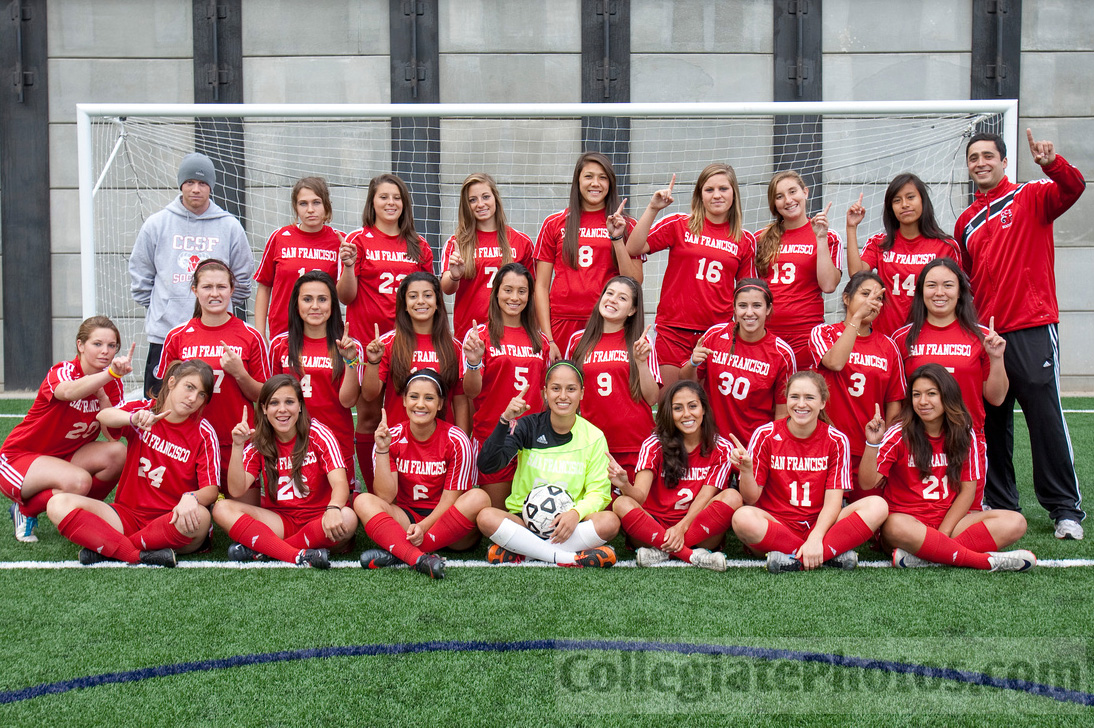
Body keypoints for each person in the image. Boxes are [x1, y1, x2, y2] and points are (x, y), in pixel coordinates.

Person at [955, 129, 1086, 539]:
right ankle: (1001, 500)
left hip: (1031, 326)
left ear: (1004, 160)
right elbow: (968, 280)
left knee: (1044, 417)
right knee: (991, 421)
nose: (981, 163)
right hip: (987, 336)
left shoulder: (1032, 196)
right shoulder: (966, 221)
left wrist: (1051, 163)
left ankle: (1065, 509)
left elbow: (1074, 188)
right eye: (974, 157)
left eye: (988, 156)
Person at [859, 364, 1034, 571]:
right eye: (916, 395)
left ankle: (928, 556)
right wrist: (872, 443)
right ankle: (982, 561)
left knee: (1015, 522)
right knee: (894, 525)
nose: (923, 401)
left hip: (951, 523)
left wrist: (942, 536)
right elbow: (867, 482)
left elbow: (967, 492)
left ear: (947, 396)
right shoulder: (899, 433)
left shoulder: (964, 435)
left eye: (931, 394)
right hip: (909, 524)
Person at [46, 360, 221, 567]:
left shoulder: (203, 432)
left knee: (201, 517)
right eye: (189, 387)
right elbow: (104, 416)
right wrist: (131, 418)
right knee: (57, 504)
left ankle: (110, 547)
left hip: (172, 519)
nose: (193, 398)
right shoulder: (143, 411)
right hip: (126, 517)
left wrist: (190, 497)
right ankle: (136, 554)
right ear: (172, 382)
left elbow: (211, 490)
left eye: (201, 394)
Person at [730, 371, 888, 573]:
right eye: (794, 397)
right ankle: (826, 554)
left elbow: (833, 503)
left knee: (878, 506)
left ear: (822, 402)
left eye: (809, 397)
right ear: (786, 399)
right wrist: (747, 470)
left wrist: (816, 537)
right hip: (778, 525)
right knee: (742, 518)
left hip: (822, 526)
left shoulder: (836, 440)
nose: (801, 404)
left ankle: (796, 557)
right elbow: (751, 498)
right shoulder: (765, 434)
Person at [337, 173, 434, 487]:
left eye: (397, 197)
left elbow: (430, 293)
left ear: (405, 203)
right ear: (372, 202)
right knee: (367, 417)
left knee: (410, 416)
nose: (391, 203)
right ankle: (375, 490)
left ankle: (412, 486)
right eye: (383, 197)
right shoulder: (358, 241)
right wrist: (349, 266)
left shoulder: (419, 246)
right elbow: (345, 296)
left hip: (409, 344)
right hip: (369, 346)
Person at [129, 152, 254, 397]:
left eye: (202, 183)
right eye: (189, 183)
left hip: (215, 337)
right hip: (166, 334)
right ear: (181, 185)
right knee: (161, 406)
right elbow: (141, 277)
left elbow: (242, 280)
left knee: (213, 405)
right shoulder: (157, 224)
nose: (196, 189)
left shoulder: (229, 226)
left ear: (211, 187)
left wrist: (216, 311)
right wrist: (165, 306)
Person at [476, 361, 620, 567]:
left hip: (570, 526)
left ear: (581, 393)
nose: (563, 396)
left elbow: (600, 493)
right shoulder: (527, 426)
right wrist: (504, 420)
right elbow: (487, 464)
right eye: (555, 388)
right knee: (486, 517)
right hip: (524, 522)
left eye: (571, 389)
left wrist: (575, 513)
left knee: (610, 522)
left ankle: (525, 552)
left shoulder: (594, 437)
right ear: (545, 392)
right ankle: (567, 557)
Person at [891, 257, 1007, 511]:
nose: (940, 292)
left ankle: (938, 548)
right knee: (917, 514)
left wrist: (996, 359)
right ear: (921, 291)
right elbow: (896, 398)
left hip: (965, 440)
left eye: (948, 285)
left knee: (965, 517)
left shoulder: (983, 337)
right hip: (916, 441)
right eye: (932, 285)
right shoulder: (902, 338)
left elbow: (996, 398)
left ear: (961, 291)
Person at [625, 164, 757, 388]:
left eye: (723, 189)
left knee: (705, 408)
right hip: (673, 331)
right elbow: (633, 247)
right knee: (670, 403)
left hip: (715, 334)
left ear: (734, 193)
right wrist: (653, 208)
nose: (717, 195)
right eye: (709, 189)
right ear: (699, 195)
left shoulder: (744, 240)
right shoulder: (678, 223)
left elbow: (746, 293)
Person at [1, 317, 130, 543]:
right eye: (97, 344)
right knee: (79, 481)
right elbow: (69, 392)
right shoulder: (63, 371)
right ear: (80, 345)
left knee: (118, 453)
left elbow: (111, 436)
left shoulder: (113, 384)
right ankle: (26, 510)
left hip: (66, 457)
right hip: (21, 458)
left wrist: (103, 396)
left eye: (112, 346)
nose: (106, 351)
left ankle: (81, 511)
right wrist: (108, 375)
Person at [213, 375, 356, 567]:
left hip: (321, 519)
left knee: (348, 517)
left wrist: (333, 509)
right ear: (264, 409)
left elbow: (340, 483)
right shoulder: (259, 442)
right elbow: (237, 490)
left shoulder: (319, 434)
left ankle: (266, 550)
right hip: (281, 521)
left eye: (289, 401)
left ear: (299, 406)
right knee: (222, 508)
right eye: (274, 403)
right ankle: (294, 554)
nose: (282, 409)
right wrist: (237, 447)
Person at [355, 370, 486, 579]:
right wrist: (382, 450)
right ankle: (420, 558)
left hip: (449, 524)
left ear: (441, 404)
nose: (421, 404)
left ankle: (401, 553)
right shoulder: (392, 437)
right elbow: (386, 497)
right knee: (362, 501)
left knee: (479, 497)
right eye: (414, 397)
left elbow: (450, 500)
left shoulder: (456, 439)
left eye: (429, 398)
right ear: (404, 401)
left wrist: (423, 527)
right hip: (407, 519)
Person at [157, 259, 270, 486]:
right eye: (207, 287)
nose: (214, 294)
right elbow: (165, 395)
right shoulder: (177, 336)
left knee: (240, 511)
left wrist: (240, 373)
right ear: (195, 290)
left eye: (221, 287)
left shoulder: (250, 336)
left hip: (236, 439)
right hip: (189, 439)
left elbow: (262, 396)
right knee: (191, 507)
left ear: (232, 290)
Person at [608, 380, 741, 570]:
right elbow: (640, 496)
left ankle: (664, 552)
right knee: (621, 502)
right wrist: (624, 485)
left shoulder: (721, 447)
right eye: (678, 408)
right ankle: (692, 556)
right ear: (669, 413)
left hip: (697, 529)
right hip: (653, 529)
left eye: (693, 406)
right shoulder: (654, 444)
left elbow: (705, 497)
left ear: (704, 409)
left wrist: (682, 527)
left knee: (733, 497)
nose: (687, 414)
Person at [535, 151, 644, 362]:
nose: (596, 183)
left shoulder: (627, 224)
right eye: (589, 176)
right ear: (577, 180)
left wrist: (617, 239)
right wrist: (548, 338)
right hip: (562, 321)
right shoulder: (554, 223)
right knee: (563, 390)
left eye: (602, 177)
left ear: (611, 183)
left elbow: (634, 281)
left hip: (608, 322)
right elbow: (540, 286)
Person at [461, 262, 550, 509]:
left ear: (530, 296)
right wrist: (474, 361)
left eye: (522, 291)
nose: (514, 297)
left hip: (532, 440)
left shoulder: (540, 340)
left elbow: (544, 392)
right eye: (508, 290)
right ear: (496, 293)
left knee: (533, 515)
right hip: (493, 435)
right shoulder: (480, 337)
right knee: (499, 518)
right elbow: (471, 391)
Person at [809, 271, 906, 495]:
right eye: (865, 294)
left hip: (867, 450)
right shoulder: (823, 332)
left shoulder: (888, 346)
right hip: (826, 446)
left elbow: (894, 404)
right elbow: (834, 363)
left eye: (879, 298)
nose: (873, 301)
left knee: (868, 518)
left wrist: (882, 450)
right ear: (846, 298)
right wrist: (854, 320)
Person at [269, 271, 361, 491]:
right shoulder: (280, 344)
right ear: (296, 304)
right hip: (291, 440)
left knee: (340, 511)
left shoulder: (348, 345)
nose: (315, 306)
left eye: (322, 299)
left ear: (332, 304)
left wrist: (350, 362)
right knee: (295, 503)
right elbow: (271, 399)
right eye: (307, 299)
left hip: (337, 439)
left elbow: (348, 402)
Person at [566, 276, 660, 485]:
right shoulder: (577, 341)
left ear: (633, 310)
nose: (613, 300)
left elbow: (653, 398)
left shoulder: (641, 343)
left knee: (632, 508)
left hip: (634, 442)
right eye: (609, 293)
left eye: (622, 298)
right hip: (592, 442)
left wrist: (641, 362)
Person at [681, 279, 795, 446]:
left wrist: (771, 448)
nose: (749, 313)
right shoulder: (714, 336)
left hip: (754, 444)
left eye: (757, 305)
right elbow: (686, 382)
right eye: (742, 306)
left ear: (768, 309)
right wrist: (692, 363)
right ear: (734, 309)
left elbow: (782, 413)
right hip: (713, 442)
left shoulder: (781, 353)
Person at [844, 173, 961, 337]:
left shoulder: (946, 246)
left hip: (927, 338)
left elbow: (958, 296)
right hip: (886, 336)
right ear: (891, 207)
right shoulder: (880, 243)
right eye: (897, 200)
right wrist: (851, 228)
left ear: (923, 200)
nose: (904, 204)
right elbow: (857, 275)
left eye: (910, 197)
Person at [754, 171, 844, 368]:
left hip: (805, 334)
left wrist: (820, 238)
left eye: (792, 191)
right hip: (766, 333)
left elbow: (828, 285)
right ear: (774, 204)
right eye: (779, 196)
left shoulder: (828, 236)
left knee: (802, 394)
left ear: (805, 192)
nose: (788, 200)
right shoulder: (760, 238)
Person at [361, 272, 470, 433]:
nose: (420, 301)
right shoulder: (388, 343)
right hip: (399, 443)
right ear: (404, 303)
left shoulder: (454, 347)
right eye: (413, 296)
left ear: (438, 302)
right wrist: (373, 362)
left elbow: (460, 402)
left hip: (443, 446)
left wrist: (462, 441)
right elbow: (369, 395)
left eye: (427, 295)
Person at [440, 172, 535, 340]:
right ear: (466, 205)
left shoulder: (521, 241)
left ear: (495, 199)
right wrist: (455, 276)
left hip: (510, 333)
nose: (480, 204)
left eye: (485, 197)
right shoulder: (457, 242)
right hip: (470, 332)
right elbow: (446, 288)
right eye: (473, 200)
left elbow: (532, 293)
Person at [254, 176, 343, 339]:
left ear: (326, 205)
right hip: (283, 331)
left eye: (316, 202)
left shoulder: (340, 241)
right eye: (303, 203)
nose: (310, 209)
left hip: (324, 333)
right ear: (296, 207)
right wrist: (260, 334)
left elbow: (347, 293)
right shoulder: (279, 237)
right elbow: (264, 287)